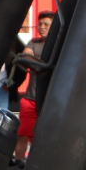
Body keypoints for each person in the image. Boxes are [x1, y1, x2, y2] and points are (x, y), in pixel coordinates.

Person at [14, 11, 55, 160]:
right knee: (22, 135)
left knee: (43, 138)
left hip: (50, 101)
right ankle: (19, 164)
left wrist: (36, 61)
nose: (42, 27)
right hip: (30, 99)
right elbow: (26, 56)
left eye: (46, 24)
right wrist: (44, 65)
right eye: (40, 24)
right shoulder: (33, 42)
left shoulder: (60, 44)